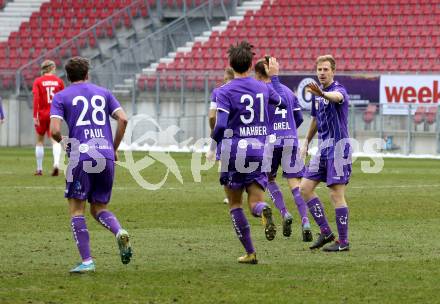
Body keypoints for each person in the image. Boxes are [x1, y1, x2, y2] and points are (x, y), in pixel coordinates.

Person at [50, 57, 132, 273]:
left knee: (77, 209)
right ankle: (118, 231)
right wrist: (113, 148)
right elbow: (123, 119)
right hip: (105, 154)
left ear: (68, 76)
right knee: (99, 208)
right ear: (88, 74)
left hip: (82, 156)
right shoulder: (103, 93)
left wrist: (68, 145)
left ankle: (87, 261)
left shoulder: (61, 96)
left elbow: (55, 131)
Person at [207, 41, 287, 264]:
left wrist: (212, 147)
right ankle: (263, 210)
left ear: (230, 65)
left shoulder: (224, 91)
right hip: (259, 151)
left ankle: (251, 252)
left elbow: (221, 124)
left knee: (234, 204)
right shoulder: (263, 87)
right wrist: (275, 77)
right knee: (255, 202)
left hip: (234, 152)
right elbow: (282, 103)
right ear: (251, 64)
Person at [254, 58, 312, 241]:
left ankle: (285, 213)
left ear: (258, 75)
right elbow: (300, 118)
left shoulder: (260, 92)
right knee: (295, 183)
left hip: (270, 141)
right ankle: (305, 221)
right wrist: (290, 129)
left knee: (269, 178)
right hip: (290, 139)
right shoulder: (287, 91)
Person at [300, 55, 352, 252]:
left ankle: (343, 242)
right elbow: (315, 119)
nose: (322, 73)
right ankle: (326, 232)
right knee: (304, 188)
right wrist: (306, 142)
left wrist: (322, 94)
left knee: (336, 194)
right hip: (323, 150)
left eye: (325, 70)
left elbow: (336, 98)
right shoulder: (318, 94)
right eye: (319, 70)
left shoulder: (338, 90)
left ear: (333, 71)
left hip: (338, 149)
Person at [33, 60, 65, 176]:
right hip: (55, 114)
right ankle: (56, 164)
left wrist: (34, 115)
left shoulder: (38, 81)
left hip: (42, 114)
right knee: (55, 140)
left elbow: (36, 98)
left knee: (40, 141)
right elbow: (63, 99)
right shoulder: (59, 81)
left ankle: (39, 169)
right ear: (52, 68)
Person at [208, 67, 234, 204]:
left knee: (223, 165)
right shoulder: (243, 90)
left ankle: (230, 196)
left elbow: (212, 116)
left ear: (226, 76)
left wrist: (214, 132)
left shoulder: (218, 92)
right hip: (241, 133)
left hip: (224, 133)